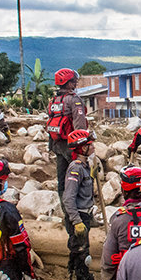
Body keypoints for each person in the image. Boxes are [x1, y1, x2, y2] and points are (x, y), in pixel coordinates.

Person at [62, 129, 104, 280]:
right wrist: (76, 220)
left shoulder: (85, 166)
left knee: (75, 253)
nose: (93, 146)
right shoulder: (76, 169)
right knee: (83, 257)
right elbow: (68, 198)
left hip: (85, 214)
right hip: (78, 217)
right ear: (81, 148)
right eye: (90, 145)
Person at [47, 68, 88, 199]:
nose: (75, 84)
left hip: (58, 145)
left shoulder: (54, 101)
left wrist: (51, 147)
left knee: (62, 181)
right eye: (74, 81)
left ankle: (67, 215)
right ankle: (82, 215)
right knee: (82, 180)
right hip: (72, 147)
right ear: (68, 83)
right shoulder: (74, 100)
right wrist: (84, 149)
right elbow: (80, 125)